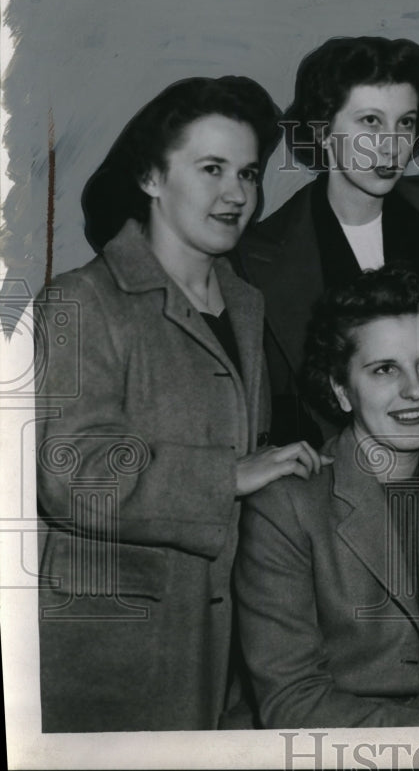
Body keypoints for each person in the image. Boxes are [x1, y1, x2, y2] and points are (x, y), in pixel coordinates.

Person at [35, 76, 327, 732]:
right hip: (114, 660)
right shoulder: (84, 300)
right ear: (151, 177)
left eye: (249, 173)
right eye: (212, 169)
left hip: (217, 651)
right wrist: (228, 474)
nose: (238, 194)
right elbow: (70, 471)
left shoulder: (244, 303)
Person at [234, 266, 419, 727]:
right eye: (385, 369)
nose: (415, 390)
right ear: (341, 390)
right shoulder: (287, 506)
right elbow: (292, 701)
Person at [235, 36, 419, 447]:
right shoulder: (258, 257)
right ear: (323, 132)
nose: (391, 145)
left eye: (405, 122)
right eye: (370, 121)